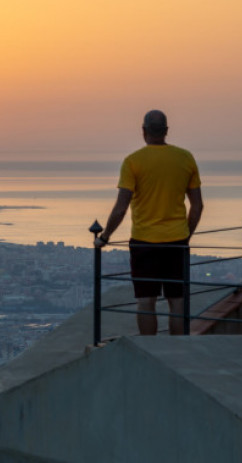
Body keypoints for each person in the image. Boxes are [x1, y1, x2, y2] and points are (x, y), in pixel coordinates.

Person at [94, 110, 203, 335]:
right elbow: (198, 206)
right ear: (166, 131)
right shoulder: (185, 158)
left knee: (146, 302)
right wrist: (185, 234)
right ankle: (178, 350)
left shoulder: (133, 162)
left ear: (143, 131)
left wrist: (105, 237)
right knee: (177, 301)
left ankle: (150, 349)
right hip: (177, 241)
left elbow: (121, 208)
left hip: (144, 242)